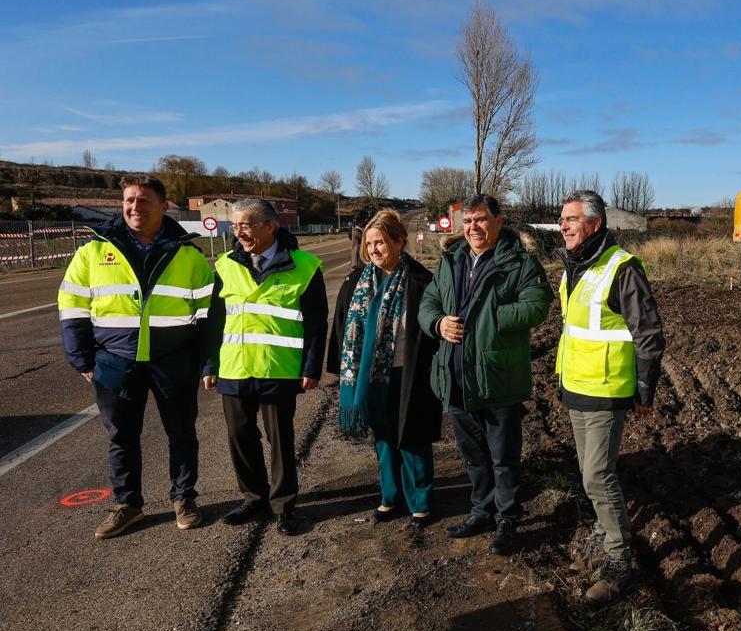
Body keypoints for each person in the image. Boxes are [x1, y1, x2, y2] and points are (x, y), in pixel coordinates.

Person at [59, 174, 213, 538]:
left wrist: (206, 362)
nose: (135, 207)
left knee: (182, 434)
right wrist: (82, 358)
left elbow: (209, 313)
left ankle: (184, 498)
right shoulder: (94, 252)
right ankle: (128, 505)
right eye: (129, 200)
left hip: (173, 361)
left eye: (144, 201)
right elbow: (72, 307)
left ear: (163, 207)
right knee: (122, 438)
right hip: (114, 361)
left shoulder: (187, 254)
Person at [418, 194, 551, 555]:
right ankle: (482, 511)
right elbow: (428, 302)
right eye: (467, 222)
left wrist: (489, 319)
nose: (473, 228)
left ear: (498, 221)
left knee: (503, 457)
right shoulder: (451, 260)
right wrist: (438, 322)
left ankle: (507, 518)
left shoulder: (519, 262)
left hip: (497, 377)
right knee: (474, 456)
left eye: (480, 220)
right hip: (456, 375)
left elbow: (538, 304)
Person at [555, 190, 665, 605]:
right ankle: (604, 534)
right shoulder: (575, 265)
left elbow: (649, 334)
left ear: (595, 224)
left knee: (598, 476)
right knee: (588, 471)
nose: (563, 225)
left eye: (571, 219)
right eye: (562, 219)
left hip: (606, 389)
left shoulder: (621, 268)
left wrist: (644, 388)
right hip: (578, 387)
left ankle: (620, 564)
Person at [203, 197, 328, 536]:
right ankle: (253, 499)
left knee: (280, 440)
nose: (238, 231)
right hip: (234, 368)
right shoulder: (226, 264)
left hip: (279, 369)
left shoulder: (304, 266)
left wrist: (312, 367)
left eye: (245, 224)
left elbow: (317, 323)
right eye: (235, 225)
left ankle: (283, 506)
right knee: (240, 438)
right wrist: (209, 364)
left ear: (270, 226)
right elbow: (214, 321)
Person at [327, 209, 441, 526]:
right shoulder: (358, 282)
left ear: (399, 242)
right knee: (383, 437)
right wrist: (341, 369)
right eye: (369, 243)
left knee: (412, 437)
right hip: (371, 375)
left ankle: (420, 501)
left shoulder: (420, 281)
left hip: (410, 374)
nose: (374, 250)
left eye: (380, 242)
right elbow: (342, 326)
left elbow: (430, 328)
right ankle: (389, 498)